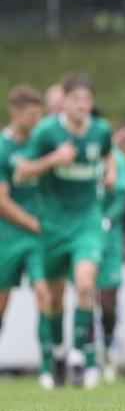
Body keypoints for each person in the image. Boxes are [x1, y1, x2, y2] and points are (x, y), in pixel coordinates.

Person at [15, 74, 116, 389]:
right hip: (54, 224)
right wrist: (54, 160)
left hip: (87, 221)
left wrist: (110, 173)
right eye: (77, 100)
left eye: (87, 100)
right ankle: (57, 351)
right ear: (65, 101)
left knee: (85, 284)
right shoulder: (46, 132)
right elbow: (21, 174)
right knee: (54, 298)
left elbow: (108, 155)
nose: (83, 105)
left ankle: (78, 356)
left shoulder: (101, 130)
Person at [0, 86, 54, 389]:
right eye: (31, 115)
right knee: (2, 303)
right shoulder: (2, 148)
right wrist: (32, 222)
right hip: (8, 234)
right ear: (15, 113)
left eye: (39, 114)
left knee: (43, 291)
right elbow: (2, 200)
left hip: (38, 237)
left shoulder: (41, 143)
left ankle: (46, 367)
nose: (36, 120)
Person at [97, 142, 125, 382]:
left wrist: (106, 221)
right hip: (81, 237)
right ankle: (86, 360)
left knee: (107, 305)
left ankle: (108, 350)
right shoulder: (71, 154)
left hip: (109, 243)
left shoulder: (116, 159)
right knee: (84, 296)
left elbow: (121, 198)